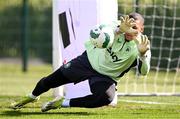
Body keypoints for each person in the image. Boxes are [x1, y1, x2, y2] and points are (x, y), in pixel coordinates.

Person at [12, 12, 151, 112]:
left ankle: (63, 102)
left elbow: (144, 72)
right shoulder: (116, 26)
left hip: (106, 77)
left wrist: (143, 55)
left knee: (106, 98)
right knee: (49, 81)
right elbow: (97, 33)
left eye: (135, 28)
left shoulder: (143, 45)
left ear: (142, 29)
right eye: (129, 26)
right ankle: (32, 96)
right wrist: (118, 30)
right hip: (87, 62)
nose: (130, 31)